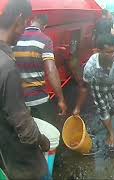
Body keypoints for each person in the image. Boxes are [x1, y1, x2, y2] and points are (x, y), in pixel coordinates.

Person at [0, 0, 50, 179]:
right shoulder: (7, 68)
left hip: (4, 153)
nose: (24, 30)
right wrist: (43, 141)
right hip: (22, 161)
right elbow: (25, 128)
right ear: (19, 18)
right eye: (26, 22)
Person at [83, 33, 114, 148]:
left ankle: (107, 115)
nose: (113, 55)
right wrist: (78, 106)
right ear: (98, 51)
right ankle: (110, 132)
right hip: (99, 85)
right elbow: (85, 85)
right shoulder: (90, 67)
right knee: (103, 110)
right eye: (109, 52)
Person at [13, 14, 67, 120]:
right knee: (47, 133)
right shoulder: (44, 40)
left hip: (16, 100)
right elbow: (51, 70)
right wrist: (61, 99)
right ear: (45, 26)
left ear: (31, 20)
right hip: (38, 99)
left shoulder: (14, 37)